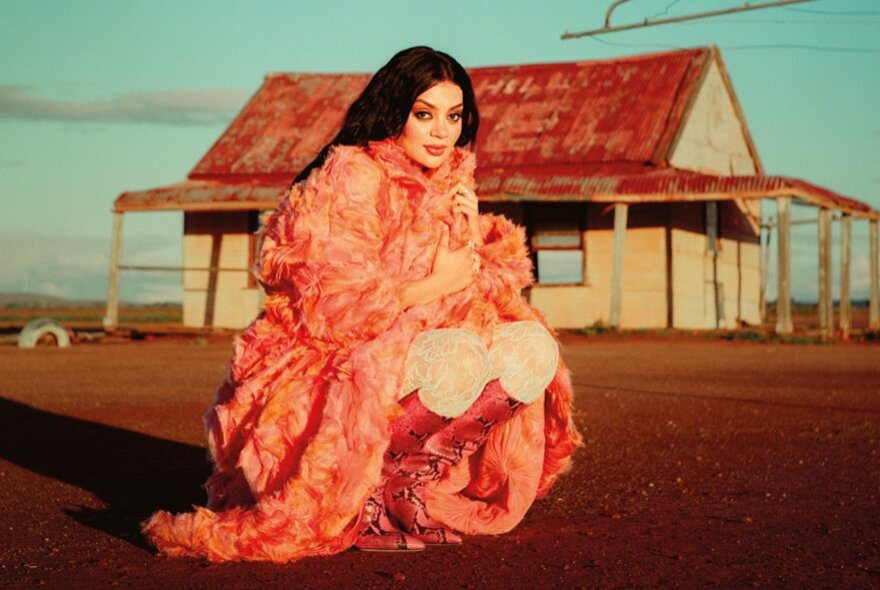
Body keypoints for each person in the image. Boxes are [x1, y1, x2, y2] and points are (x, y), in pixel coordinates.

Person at [142, 46, 582, 563]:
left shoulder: (452, 184)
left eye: (453, 116)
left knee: (532, 348)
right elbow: (334, 306)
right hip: (326, 365)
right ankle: (370, 493)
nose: (442, 132)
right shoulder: (350, 176)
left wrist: (468, 235)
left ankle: (411, 483)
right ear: (395, 111)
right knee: (460, 355)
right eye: (425, 114)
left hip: (414, 344)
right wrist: (439, 282)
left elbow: (484, 296)